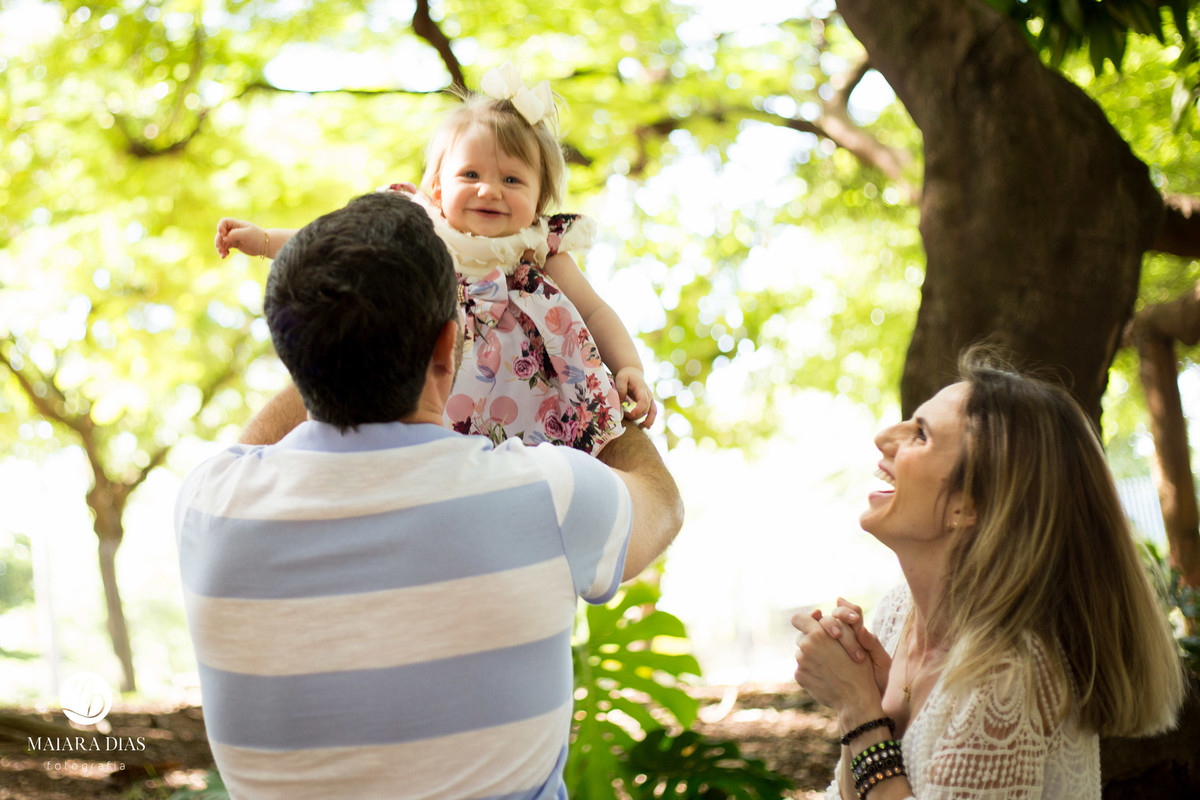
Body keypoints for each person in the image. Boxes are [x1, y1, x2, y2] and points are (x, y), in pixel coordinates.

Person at [176, 191, 684, 800]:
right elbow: (661, 503)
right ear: (447, 347)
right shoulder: (544, 494)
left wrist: (329, 342)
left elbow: (256, 448)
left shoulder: (208, 504)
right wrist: (583, 371)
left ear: (294, 350)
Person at [792, 350, 1185, 800]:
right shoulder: (899, 612)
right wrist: (873, 708)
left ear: (969, 505)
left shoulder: (1009, 673)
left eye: (920, 435)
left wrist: (858, 709)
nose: (884, 437)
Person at [214, 63, 653, 455]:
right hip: (424, 403)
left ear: (540, 199)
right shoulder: (420, 230)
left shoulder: (541, 251)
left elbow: (595, 311)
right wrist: (265, 240)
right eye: (470, 174)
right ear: (438, 188)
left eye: (512, 179)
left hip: (530, 421)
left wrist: (628, 365)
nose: (489, 190)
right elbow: (331, 246)